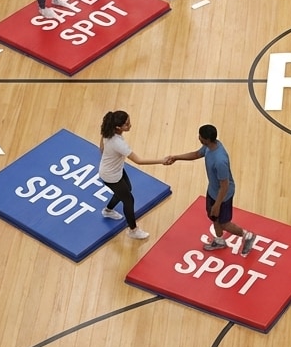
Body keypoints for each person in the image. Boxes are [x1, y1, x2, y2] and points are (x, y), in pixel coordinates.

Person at [163, 124, 255, 256]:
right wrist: (176, 157)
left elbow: (225, 185)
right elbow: (196, 154)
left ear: (205, 139)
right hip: (212, 190)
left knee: (224, 223)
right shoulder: (209, 147)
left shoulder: (220, 160)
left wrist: (217, 204)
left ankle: (247, 236)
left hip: (223, 196)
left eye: (200, 136)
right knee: (214, 218)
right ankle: (219, 241)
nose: (198, 137)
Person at [97, 110, 162, 240]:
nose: (130, 125)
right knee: (129, 200)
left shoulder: (107, 131)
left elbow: (101, 148)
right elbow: (139, 161)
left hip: (116, 170)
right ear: (118, 127)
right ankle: (133, 230)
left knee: (127, 190)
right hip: (111, 176)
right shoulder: (118, 143)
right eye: (127, 124)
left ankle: (108, 210)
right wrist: (161, 161)